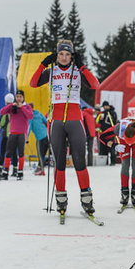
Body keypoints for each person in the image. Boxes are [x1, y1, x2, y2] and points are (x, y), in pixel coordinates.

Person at [30, 40, 100, 216]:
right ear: (57, 54)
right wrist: (43, 63)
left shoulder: (77, 70)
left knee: (79, 161)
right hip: (57, 121)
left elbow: (95, 85)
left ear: (72, 56)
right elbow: (33, 83)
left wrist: (82, 66)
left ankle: (86, 198)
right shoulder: (51, 71)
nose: (64, 57)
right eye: (61, 54)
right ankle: (61, 198)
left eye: (68, 54)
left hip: (75, 119)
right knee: (59, 163)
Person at [99, 118, 135, 208]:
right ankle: (124, 193)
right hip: (123, 142)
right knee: (125, 164)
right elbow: (102, 137)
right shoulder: (119, 128)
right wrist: (114, 145)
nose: (130, 144)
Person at [0, 90, 33, 180]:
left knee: (21, 153)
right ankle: (5, 172)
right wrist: (11, 105)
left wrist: (22, 107)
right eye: (17, 97)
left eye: (20, 97)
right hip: (12, 133)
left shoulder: (27, 107)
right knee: (8, 153)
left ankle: (20, 172)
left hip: (21, 134)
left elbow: (30, 116)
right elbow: (1, 112)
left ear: (23, 98)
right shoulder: (12, 107)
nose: (19, 98)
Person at [28, 103, 49, 175]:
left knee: (40, 154)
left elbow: (29, 128)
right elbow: (46, 122)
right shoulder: (39, 114)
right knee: (43, 154)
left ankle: (41, 170)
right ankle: (40, 168)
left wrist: (25, 138)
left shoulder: (30, 117)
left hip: (40, 137)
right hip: (47, 135)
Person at [96, 101, 118, 165]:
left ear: (108, 106)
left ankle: (113, 161)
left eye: (106, 106)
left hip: (110, 133)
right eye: (104, 106)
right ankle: (104, 162)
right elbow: (98, 122)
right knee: (103, 147)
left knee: (111, 146)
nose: (105, 107)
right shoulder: (102, 113)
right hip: (103, 133)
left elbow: (114, 122)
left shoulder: (112, 113)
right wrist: (100, 119)